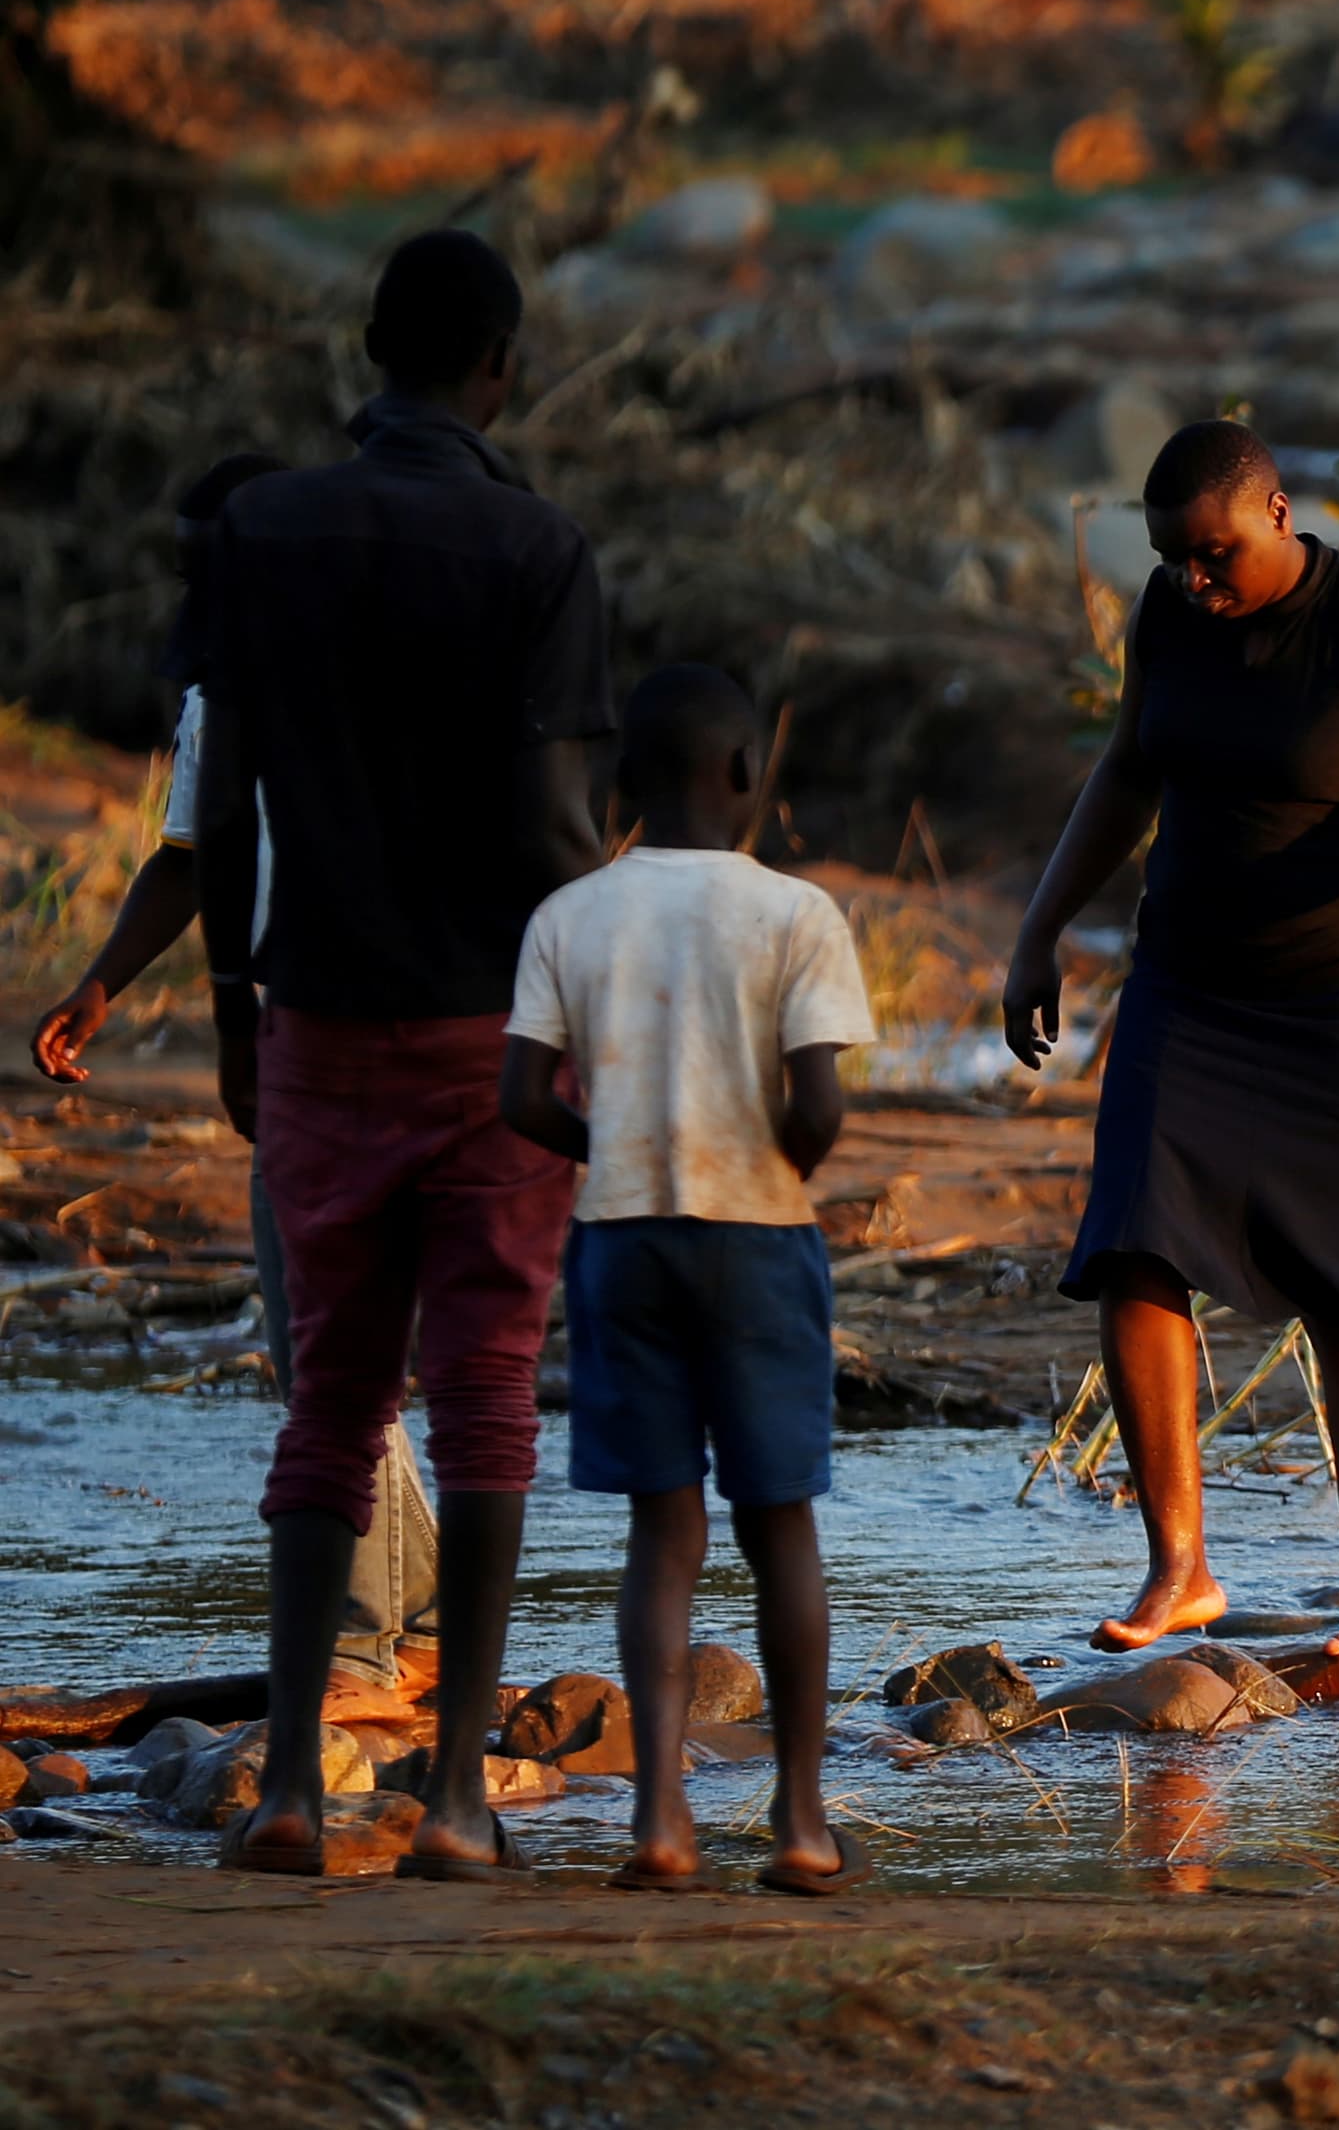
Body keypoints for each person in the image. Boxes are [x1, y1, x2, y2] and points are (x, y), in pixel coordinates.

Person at [194, 227, 613, 1878]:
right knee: (488, 1395)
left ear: (368, 351)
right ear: (497, 368)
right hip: (493, 1034)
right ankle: (449, 1800)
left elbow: (223, 805)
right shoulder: (538, 548)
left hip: (315, 1017)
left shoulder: (258, 529)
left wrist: (237, 1012)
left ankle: (291, 1784)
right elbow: (555, 826)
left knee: (332, 1404)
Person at [1002, 419, 1339, 1656]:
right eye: (1174, 560)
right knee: (1134, 1246)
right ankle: (1180, 1568)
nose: (1196, 581)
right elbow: (1129, 769)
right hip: (1187, 982)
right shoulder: (1167, 612)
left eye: (1214, 553)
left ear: (1279, 513)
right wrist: (1039, 930)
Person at [28, 452, 437, 1707]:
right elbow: (189, 854)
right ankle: (411, 1607)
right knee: (346, 1335)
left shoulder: (333, 671)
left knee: (320, 1338)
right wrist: (101, 979)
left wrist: (230, 1026)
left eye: (209, 562)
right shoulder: (257, 673)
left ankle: (365, 1641)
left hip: (343, 1033)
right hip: (340, 1024)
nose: (193, 586)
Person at [500, 665, 874, 1897]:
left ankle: (661, 1821)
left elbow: (520, 1098)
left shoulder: (572, 913)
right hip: (759, 1236)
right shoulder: (798, 913)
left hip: (623, 1237)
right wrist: (776, 1164)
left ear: (622, 785)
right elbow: (818, 1102)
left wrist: (610, 1150)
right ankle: (803, 1821)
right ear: (744, 776)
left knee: (661, 1533)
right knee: (783, 1531)